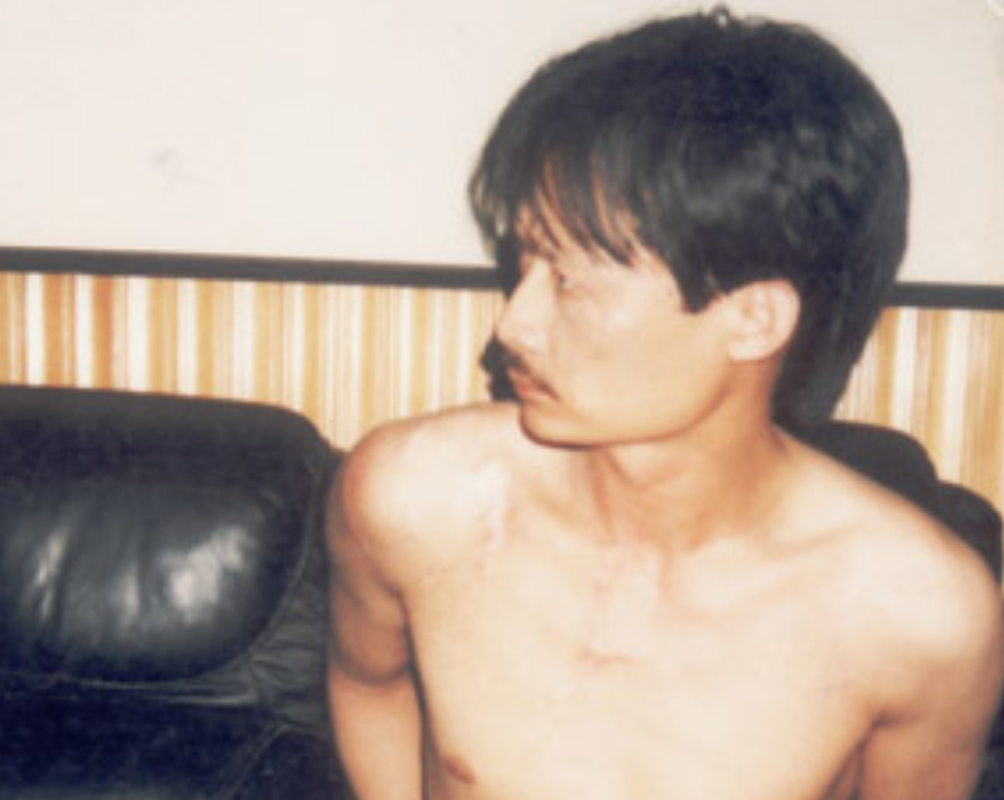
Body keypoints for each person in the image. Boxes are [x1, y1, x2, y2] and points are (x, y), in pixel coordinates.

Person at [326, 8, 1004, 800]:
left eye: (571, 281)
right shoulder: (414, 499)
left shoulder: (918, 614)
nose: (513, 324)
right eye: (525, 261)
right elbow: (368, 683)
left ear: (754, 319)